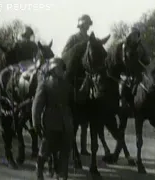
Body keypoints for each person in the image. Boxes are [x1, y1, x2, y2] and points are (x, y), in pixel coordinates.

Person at [32, 58, 74, 180]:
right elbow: (37, 105)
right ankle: (39, 170)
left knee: (65, 152)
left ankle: (62, 175)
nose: (61, 70)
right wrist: (36, 123)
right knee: (45, 150)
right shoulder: (44, 84)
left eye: (62, 68)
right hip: (50, 122)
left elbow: (76, 99)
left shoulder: (67, 84)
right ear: (53, 69)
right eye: (59, 68)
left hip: (66, 123)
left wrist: (85, 86)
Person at [61, 14, 94, 156]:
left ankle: (84, 148)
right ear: (80, 25)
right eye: (84, 24)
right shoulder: (73, 38)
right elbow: (64, 54)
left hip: (86, 76)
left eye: (87, 24)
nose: (86, 27)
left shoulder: (90, 39)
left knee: (85, 117)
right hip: (73, 76)